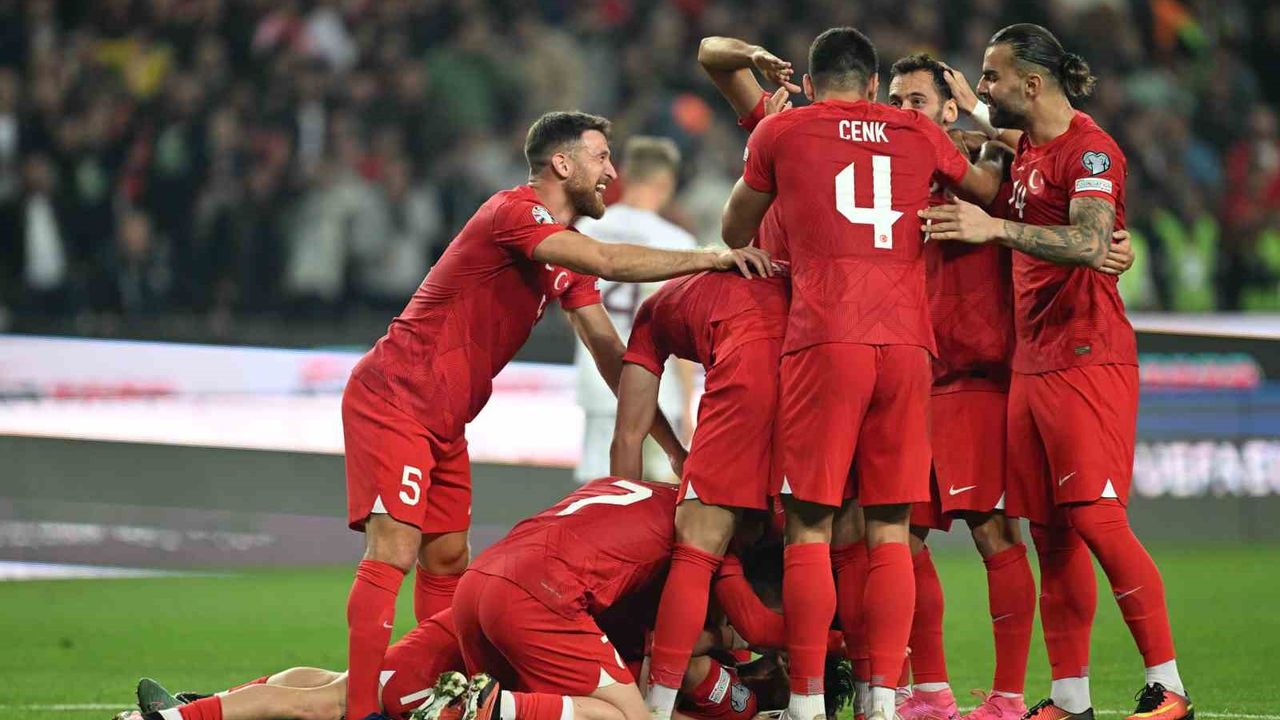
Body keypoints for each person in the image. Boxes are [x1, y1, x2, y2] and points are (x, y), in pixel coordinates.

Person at [342, 110, 773, 720]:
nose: (612, 172)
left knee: (448, 559)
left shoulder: (562, 258)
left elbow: (613, 356)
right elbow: (609, 260)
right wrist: (708, 257)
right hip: (397, 394)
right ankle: (363, 709)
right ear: (562, 163)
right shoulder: (514, 212)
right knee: (393, 549)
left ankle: (432, 685)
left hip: (444, 417)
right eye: (601, 157)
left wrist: (673, 447)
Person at [719, 26, 1002, 720]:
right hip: (907, 345)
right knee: (889, 531)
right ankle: (882, 699)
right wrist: (986, 133)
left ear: (810, 83)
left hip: (825, 338)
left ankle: (808, 702)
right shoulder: (917, 130)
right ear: (874, 85)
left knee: (810, 528)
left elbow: (733, 230)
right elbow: (987, 187)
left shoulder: (783, 130)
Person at [919, 24, 1192, 720]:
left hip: (1086, 355)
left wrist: (995, 229)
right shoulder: (1030, 147)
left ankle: (1170, 688)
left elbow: (1093, 240)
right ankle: (1071, 700)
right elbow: (1005, 139)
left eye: (991, 76)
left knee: (1097, 518)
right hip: (1031, 363)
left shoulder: (1091, 151)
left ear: (1032, 84)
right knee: (1050, 534)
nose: (983, 86)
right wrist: (971, 111)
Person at [885, 54, 1136, 720]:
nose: (903, 111)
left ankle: (1006, 697)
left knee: (994, 535)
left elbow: (1061, 204)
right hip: (914, 379)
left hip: (983, 380)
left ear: (949, 109)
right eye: (894, 100)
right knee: (898, 537)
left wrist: (1113, 246)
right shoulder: (882, 182)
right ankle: (931, 692)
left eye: (916, 100)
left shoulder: (994, 179)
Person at [604, 269, 789, 720]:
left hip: (745, 367)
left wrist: (626, 526)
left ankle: (657, 707)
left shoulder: (654, 314)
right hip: (826, 356)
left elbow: (628, 437)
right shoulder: (777, 276)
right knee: (819, 539)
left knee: (699, 546)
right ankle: (865, 695)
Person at [573, 136, 701, 484]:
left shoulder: (586, 230)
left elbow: (571, 308)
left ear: (626, 175)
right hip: (658, 390)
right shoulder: (677, 243)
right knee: (657, 496)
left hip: (599, 380)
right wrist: (687, 403)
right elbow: (682, 333)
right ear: (666, 182)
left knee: (598, 494)